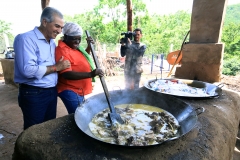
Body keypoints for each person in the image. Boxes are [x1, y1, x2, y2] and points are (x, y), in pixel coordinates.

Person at [14, 7, 70, 130]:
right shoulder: (26, 39)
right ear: (44, 22)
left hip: (50, 91)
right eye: (57, 26)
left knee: (48, 128)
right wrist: (56, 67)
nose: (60, 31)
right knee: (34, 131)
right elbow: (28, 70)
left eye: (61, 27)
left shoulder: (51, 42)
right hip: (34, 93)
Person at [55, 22, 104, 114]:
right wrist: (91, 74)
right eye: (74, 39)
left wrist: (89, 47)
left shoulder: (74, 47)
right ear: (65, 37)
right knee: (79, 115)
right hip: (70, 90)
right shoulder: (62, 50)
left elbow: (81, 58)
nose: (77, 41)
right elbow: (66, 74)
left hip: (78, 89)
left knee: (80, 114)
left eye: (79, 39)